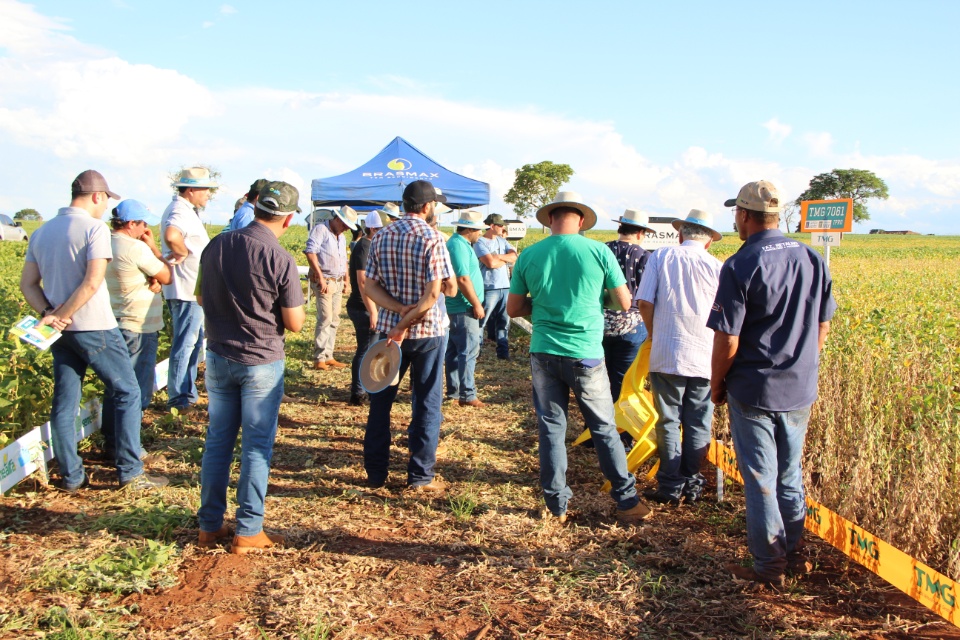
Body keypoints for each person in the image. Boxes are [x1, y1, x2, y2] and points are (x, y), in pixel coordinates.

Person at [708, 180, 836, 584]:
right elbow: (823, 324)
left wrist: (717, 383)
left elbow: (727, 338)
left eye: (736, 214)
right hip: (799, 388)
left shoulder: (740, 263)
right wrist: (803, 364)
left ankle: (769, 567)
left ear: (744, 215)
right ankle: (794, 555)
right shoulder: (813, 258)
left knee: (761, 479)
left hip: (754, 388)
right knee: (790, 474)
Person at [507, 191, 651, 525]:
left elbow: (514, 308)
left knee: (551, 429)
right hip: (586, 353)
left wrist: (543, 308)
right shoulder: (598, 251)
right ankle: (626, 500)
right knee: (603, 427)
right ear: (582, 221)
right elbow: (623, 301)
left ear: (550, 220)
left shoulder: (530, 254)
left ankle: (556, 504)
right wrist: (595, 301)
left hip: (543, 350)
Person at [19, 170, 168, 491]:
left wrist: (51, 314)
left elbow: (27, 284)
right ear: (97, 196)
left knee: (64, 402)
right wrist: (66, 314)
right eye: (105, 201)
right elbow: (91, 282)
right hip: (95, 325)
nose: (104, 209)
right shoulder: (94, 230)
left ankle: (71, 477)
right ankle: (130, 472)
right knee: (127, 391)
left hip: (62, 332)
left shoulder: (42, 232)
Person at [196, 180, 306, 554]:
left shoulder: (216, 245)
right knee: (256, 447)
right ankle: (248, 530)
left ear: (255, 205)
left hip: (218, 356)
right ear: (288, 218)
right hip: (260, 359)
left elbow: (199, 296)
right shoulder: (279, 258)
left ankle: (209, 525)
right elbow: (294, 322)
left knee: (218, 442)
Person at [362, 180, 456, 492]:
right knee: (427, 402)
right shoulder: (433, 239)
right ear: (428, 207)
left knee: (380, 401)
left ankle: (376, 474)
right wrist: (407, 319)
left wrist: (397, 310)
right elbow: (432, 296)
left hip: (388, 333)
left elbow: (370, 286)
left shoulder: (382, 236)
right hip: (427, 332)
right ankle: (419, 476)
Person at [636, 209, 722, 506]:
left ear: (680, 234)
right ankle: (692, 482)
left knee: (669, 419)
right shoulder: (718, 267)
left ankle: (670, 486)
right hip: (706, 354)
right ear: (709, 241)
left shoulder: (661, 257)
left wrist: (653, 333)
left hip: (667, 351)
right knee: (698, 421)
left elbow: (645, 302)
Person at [103, 200, 172, 458]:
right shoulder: (135, 248)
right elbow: (167, 275)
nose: (145, 228)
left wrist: (150, 279)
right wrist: (152, 247)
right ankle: (130, 449)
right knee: (136, 390)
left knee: (116, 386)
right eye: (143, 223)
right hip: (138, 325)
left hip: (113, 321)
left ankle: (112, 443)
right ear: (131, 224)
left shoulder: (104, 242)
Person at [161, 166, 216, 413]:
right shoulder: (179, 211)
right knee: (185, 343)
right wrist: (182, 252)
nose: (208, 195)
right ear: (191, 190)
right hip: (185, 289)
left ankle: (188, 393)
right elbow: (172, 235)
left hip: (191, 289)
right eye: (205, 190)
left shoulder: (186, 210)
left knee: (192, 344)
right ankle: (178, 398)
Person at [602, 209, 653, 408]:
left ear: (620, 228)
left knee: (600, 380)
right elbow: (647, 297)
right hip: (632, 325)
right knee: (624, 381)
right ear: (641, 233)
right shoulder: (645, 256)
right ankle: (621, 431)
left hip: (602, 322)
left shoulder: (603, 250)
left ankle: (593, 429)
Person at [304, 205, 358, 370]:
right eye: (344, 225)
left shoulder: (340, 237)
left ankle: (328, 354)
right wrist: (320, 277)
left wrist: (346, 280)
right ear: (337, 219)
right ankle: (319, 357)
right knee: (325, 317)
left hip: (338, 280)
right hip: (325, 280)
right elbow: (310, 252)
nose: (345, 229)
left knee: (334, 318)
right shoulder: (321, 230)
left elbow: (344, 259)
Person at [444, 210, 487, 407]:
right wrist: (476, 304)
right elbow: (462, 278)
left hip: (457, 307)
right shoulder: (459, 246)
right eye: (479, 230)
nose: (480, 234)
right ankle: (467, 394)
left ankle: (454, 391)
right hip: (464, 307)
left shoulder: (458, 244)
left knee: (454, 351)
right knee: (468, 351)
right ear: (470, 229)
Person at [346, 211, 385, 405]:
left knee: (371, 349)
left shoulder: (372, 246)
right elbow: (362, 282)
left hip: (370, 307)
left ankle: (365, 388)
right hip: (363, 307)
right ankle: (358, 392)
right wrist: (373, 310)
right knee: (365, 349)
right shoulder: (364, 247)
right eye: (379, 229)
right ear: (372, 229)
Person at [474, 213, 517, 360]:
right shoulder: (480, 243)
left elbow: (514, 256)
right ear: (492, 226)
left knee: (503, 322)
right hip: (488, 288)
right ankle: (476, 353)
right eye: (500, 225)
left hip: (505, 287)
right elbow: (490, 263)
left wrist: (498, 257)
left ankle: (503, 355)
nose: (502, 227)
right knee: (481, 322)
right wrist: (504, 259)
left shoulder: (501, 240)